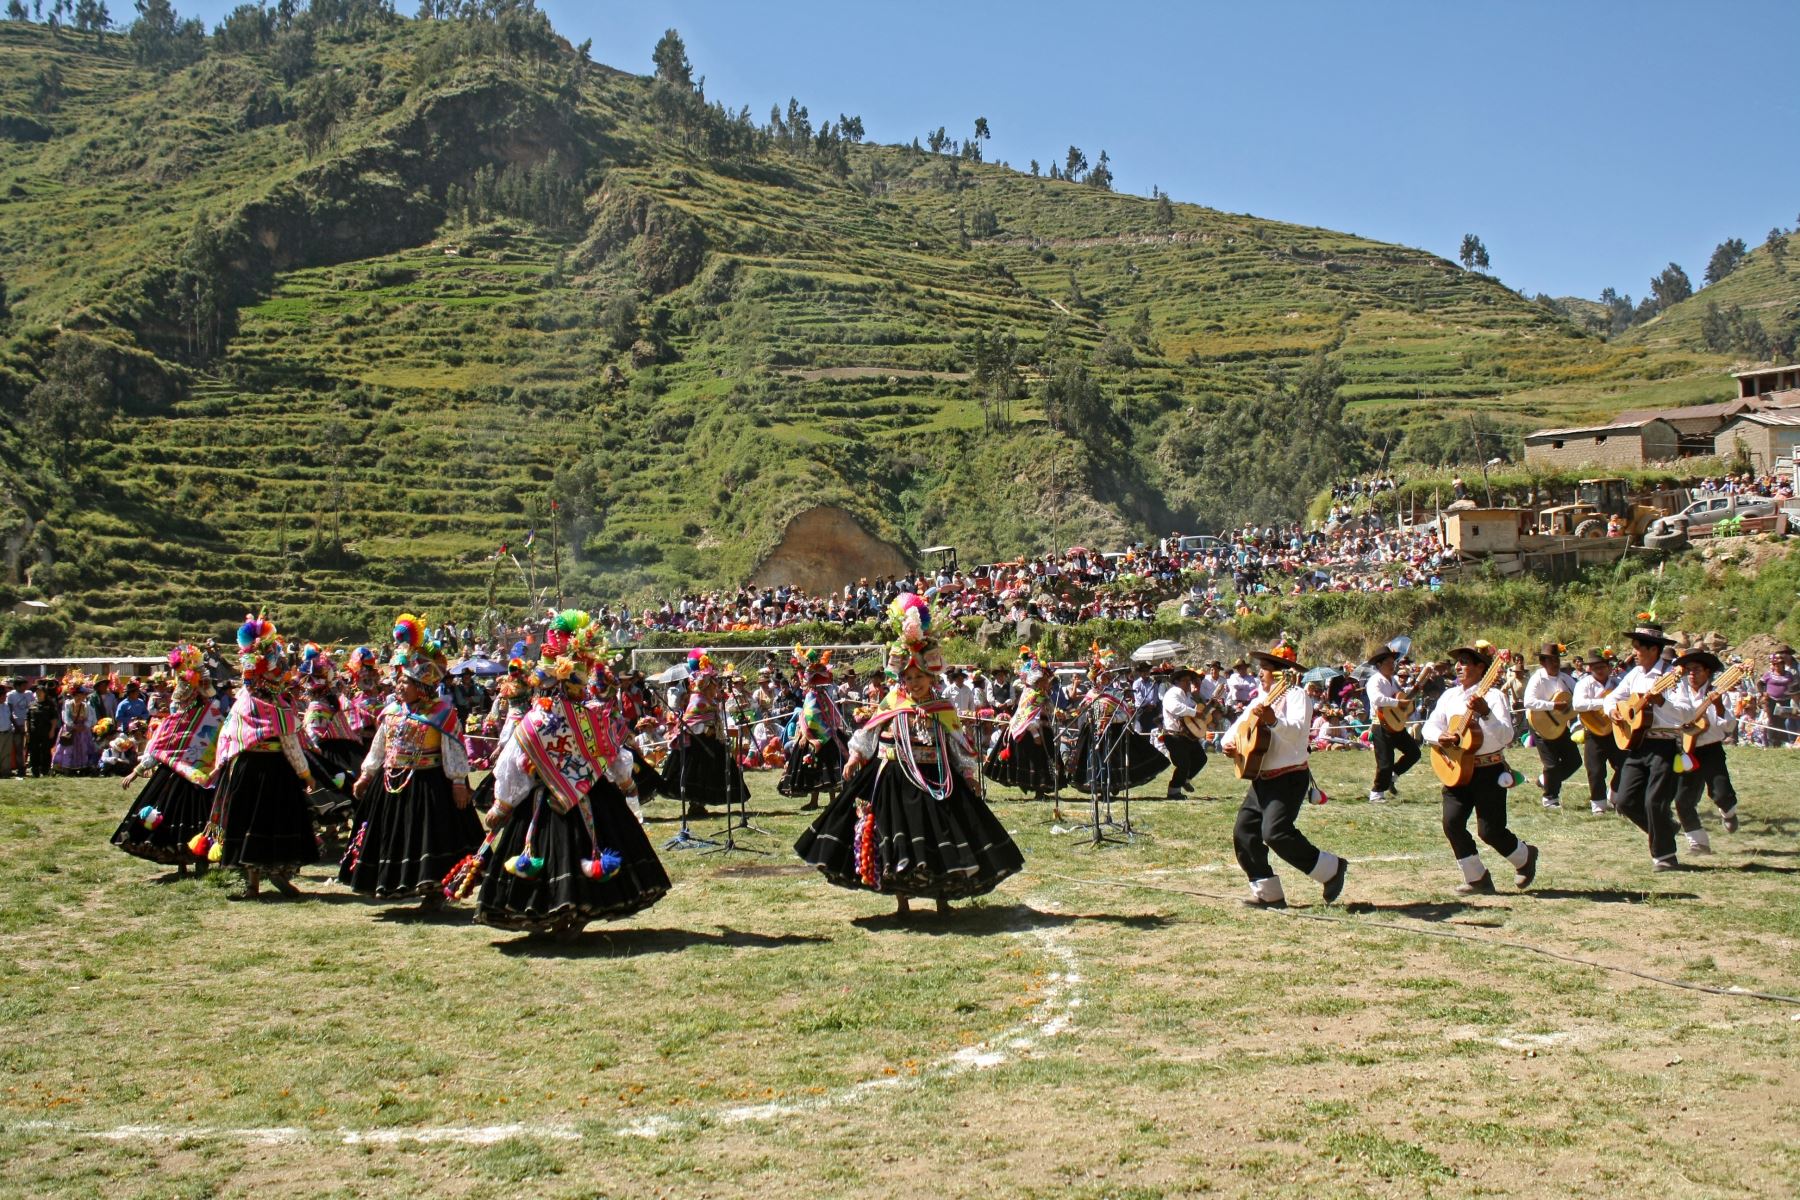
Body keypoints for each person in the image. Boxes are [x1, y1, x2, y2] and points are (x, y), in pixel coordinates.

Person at [795, 593, 1023, 918]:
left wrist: (969, 774)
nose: (914, 682)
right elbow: (868, 732)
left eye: (920, 677)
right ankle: (901, 901)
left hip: (937, 779)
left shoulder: (941, 708)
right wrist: (854, 758)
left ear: (931, 678)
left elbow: (958, 743)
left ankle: (942, 898)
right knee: (894, 839)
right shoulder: (893, 703)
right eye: (909, 677)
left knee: (939, 836)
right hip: (894, 778)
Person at [466, 614, 669, 940]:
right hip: (588, 796)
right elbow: (613, 754)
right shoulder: (588, 716)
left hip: (546, 799)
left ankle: (554, 912)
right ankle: (567, 913)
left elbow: (513, 763)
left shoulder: (537, 719)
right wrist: (625, 782)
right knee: (580, 853)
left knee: (549, 856)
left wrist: (504, 804)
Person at [342, 615, 484, 910]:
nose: (399, 686)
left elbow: (454, 750)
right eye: (399, 681)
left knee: (429, 838)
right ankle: (392, 884)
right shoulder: (392, 710)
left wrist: (459, 783)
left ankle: (432, 890)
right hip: (391, 783)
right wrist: (367, 775)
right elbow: (380, 746)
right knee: (394, 837)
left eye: (406, 682)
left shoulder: (441, 713)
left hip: (429, 783)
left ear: (422, 686)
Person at [1220, 641, 1348, 908]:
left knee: (1275, 832)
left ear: (1280, 673)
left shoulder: (1297, 696)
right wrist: (1229, 745)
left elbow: (1298, 731)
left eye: (1264, 669)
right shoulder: (1259, 699)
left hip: (1289, 777)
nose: (1260, 674)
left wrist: (1273, 721)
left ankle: (1331, 869)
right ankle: (1269, 893)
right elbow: (1237, 729)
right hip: (1261, 779)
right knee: (1244, 833)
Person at [204, 616, 321, 900]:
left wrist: (221, 767)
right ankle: (276, 875)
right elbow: (290, 744)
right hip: (274, 771)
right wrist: (306, 774)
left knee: (248, 823)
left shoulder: (242, 703)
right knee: (276, 822)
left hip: (245, 770)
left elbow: (228, 738)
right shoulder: (277, 706)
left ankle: (253, 883)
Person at [1420, 641, 1538, 895]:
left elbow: (1506, 736)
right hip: (1455, 768)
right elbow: (1429, 726)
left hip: (1488, 770)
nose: (1458, 666)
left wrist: (1486, 714)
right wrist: (1439, 737)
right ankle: (1476, 877)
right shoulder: (1449, 696)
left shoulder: (1494, 697)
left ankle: (1525, 856)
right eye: (1457, 662)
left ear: (1481, 667)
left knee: (1490, 831)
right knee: (1451, 823)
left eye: (1464, 662)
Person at [110, 644, 226, 873]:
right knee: (176, 818)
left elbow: (223, 745)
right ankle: (182, 863)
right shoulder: (175, 720)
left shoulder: (213, 717)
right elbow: (159, 748)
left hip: (203, 778)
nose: (180, 701)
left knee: (200, 818)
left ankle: (200, 859)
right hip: (175, 775)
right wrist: (137, 770)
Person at [1609, 618, 1699, 872]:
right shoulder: (1634, 675)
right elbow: (1614, 699)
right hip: (1637, 744)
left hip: (1664, 744)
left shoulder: (1673, 676)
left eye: (1638, 647)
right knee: (1625, 801)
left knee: (1655, 802)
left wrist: (1661, 703)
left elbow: (1685, 714)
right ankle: (1665, 829)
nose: (1634, 652)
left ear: (1653, 650)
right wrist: (1613, 712)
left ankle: (1665, 856)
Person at [661, 649, 748, 821]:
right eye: (714, 684)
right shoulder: (697, 701)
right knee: (696, 775)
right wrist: (704, 729)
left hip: (711, 742)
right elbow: (690, 723)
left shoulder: (710, 700)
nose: (716, 687)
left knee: (711, 774)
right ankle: (695, 804)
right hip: (697, 746)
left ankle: (700, 804)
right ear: (707, 685)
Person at [1671, 649, 1740, 853]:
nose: (1691, 674)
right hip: (1683, 750)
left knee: (1722, 793)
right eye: (1688, 670)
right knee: (1683, 799)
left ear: (1707, 671)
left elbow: (1728, 727)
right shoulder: (1676, 691)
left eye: (1696, 669)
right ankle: (1698, 842)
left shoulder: (1718, 692)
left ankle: (1728, 812)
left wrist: (1718, 707)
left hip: (1710, 750)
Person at [776, 646, 849, 810]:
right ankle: (816, 801)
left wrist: (811, 735)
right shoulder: (815, 695)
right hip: (819, 737)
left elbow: (815, 716)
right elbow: (808, 716)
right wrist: (805, 735)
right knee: (817, 770)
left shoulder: (820, 695)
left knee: (828, 770)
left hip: (824, 736)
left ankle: (831, 801)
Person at [984, 648, 1062, 799]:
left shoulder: (1042, 693)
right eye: (1045, 680)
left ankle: (1042, 790)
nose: (1048, 683)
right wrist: (1035, 734)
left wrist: (1055, 712)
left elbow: (1048, 709)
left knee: (1044, 760)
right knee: (1033, 760)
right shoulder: (1031, 694)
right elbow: (1027, 716)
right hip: (1029, 732)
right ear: (1039, 681)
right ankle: (1038, 789)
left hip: (1043, 730)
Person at [1523, 642, 1581, 810]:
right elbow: (1529, 702)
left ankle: (1545, 780)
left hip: (1559, 725)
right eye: (1550, 660)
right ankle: (1550, 797)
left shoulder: (1565, 678)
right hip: (1539, 724)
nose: (1555, 663)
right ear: (1542, 662)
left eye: (1556, 660)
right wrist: (1553, 706)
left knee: (1574, 761)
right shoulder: (1537, 678)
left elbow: (1578, 694)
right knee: (1552, 764)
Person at [1364, 646, 1423, 803]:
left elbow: (1401, 697)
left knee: (1414, 753)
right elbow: (1377, 699)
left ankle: (1393, 775)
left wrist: (1411, 696)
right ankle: (1376, 793)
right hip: (1381, 724)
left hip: (1395, 724)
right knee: (1385, 762)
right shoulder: (1374, 681)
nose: (1393, 665)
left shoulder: (1394, 681)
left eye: (1393, 662)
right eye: (1389, 662)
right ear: (1379, 665)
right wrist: (1398, 703)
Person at [1571, 649, 1623, 814]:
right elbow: (1578, 704)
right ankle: (1598, 805)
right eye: (1595, 667)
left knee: (1624, 765)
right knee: (1595, 769)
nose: (1599, 670)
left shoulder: (1617, 683)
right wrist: (1604, 702)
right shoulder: (1583, 684)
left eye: (1601, 666)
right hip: (1593, 730)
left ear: (1608, 667)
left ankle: (1614, 795)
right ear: (1590, 669)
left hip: (1615, 730)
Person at [1157, 667, 1208, 799]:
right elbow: (1175, 708)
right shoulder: (1174, 692)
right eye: (1185, 680)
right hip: (1174, 734)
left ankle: (1185, 779)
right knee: (1183, 763)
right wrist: (1195, 712)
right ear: (1177, 681)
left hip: (1187, 734)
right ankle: (1173, 791)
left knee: (1201, 758)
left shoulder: (1188, 695)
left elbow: (1194, 709)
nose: (1188, 683)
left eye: (1189, 681)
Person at [51, 672, 97, 775]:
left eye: (82, 695)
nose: (80, 697)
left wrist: (85, 726)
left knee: (83, 748)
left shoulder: (87, 706)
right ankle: (66, 768)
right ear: (74, 695)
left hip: (83, 731)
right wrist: (73, 725)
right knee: (68, 748)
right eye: (78, 695)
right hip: (70, 730)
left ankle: (83, 767)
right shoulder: (68, 704)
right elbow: (65, 717)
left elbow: (91, 719)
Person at [26, 679, 59, 777]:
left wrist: (52, 730)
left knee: (45, 751)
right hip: (33, 731)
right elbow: (27, 719)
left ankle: (45, 770)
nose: (38, 693)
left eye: (40, 692)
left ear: (44, 693)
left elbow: (54, 719)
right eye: (37, 692)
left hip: (46, 731)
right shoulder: (31, 705)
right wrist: (27, 731)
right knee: (34, 751)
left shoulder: (49, 705)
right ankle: (35, 770)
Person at [0, 677, 24, 779]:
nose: (5, 696)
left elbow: (10, 717)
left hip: (7, 732)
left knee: (6, 753)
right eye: (3, 695)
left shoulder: (6, 706)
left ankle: (5, 771)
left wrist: (16, 727)